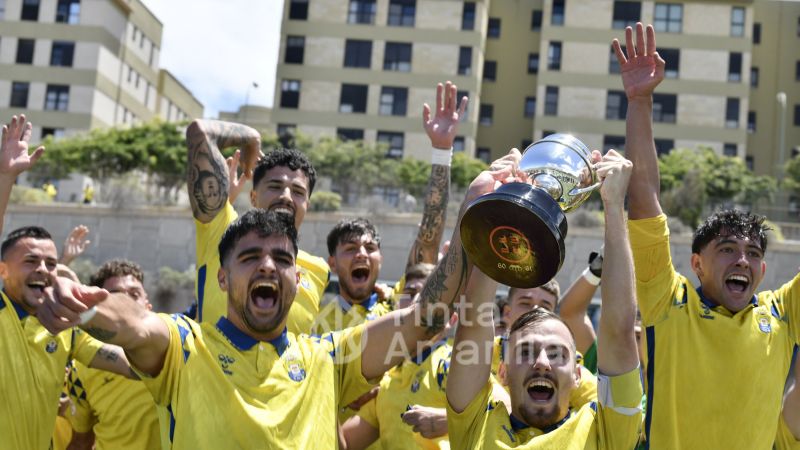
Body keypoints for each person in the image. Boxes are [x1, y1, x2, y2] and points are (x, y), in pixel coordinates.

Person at [619, 22, 800, 449]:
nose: (742, 260)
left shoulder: (784, 315)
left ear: (763, 268)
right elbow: (644, 199)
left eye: (752, 253)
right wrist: (640, 101)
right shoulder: (668, 303)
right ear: (696, 263)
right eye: (727, 249)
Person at [446, 149, 642, 449]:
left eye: (556, 353)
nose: (541, 363)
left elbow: (619, 330)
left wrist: (614, 206)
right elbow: (473, 318)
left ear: (578, 374)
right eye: (525, 352)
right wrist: (504, 207)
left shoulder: (604, 431)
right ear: (502, 371)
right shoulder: (477, 422)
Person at [0, 115, 133, 449]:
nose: (44, 269)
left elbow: (127, 362)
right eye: (30, 261)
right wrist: (5, 177)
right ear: (2, 270)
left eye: (51, 262)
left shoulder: (65, 329)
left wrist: (177, 359)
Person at [185, 120, 329, 332]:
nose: (286, 197)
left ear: (307, 204)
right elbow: (200, 132)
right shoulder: (222, 232)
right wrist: (251, 137)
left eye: (298, 192)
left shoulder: (319, 270)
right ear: (253, 197)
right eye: (275, 186)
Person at [340, 263, 452, 449]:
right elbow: (344, 445)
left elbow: (507, 414)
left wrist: (450, 420)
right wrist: (333, 391)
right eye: (409, 293)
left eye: (428, 294)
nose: (417, 300)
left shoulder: (457, 364)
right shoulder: (385, 381)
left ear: (452, 318)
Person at [64, 260, 161, 450]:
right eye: (117, 296)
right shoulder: (82, 366)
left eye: (134, 294)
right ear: (100, 307)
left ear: (148, 305)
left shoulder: (179, 347)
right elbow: (81, 441)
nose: (127, 303)